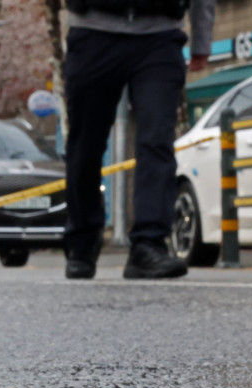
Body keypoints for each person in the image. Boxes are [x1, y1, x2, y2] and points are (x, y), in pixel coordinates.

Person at [63, 0, 216, 280]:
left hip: (160, 35)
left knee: (157, 139)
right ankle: (82, 241)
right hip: (93, 30)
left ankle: (149, 244)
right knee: (86, 144)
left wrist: (202, 39)